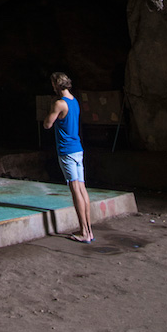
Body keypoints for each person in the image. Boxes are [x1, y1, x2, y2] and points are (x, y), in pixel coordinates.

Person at [43, 71, 94, 243]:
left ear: (56, 85)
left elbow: (47, 124)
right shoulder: (74, 101)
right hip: (78, 149)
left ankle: (84, 232)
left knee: (75, 190)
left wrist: (51, 107)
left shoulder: (59, 104)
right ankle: (89, 230)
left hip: (66, 151)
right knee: (82, 188)